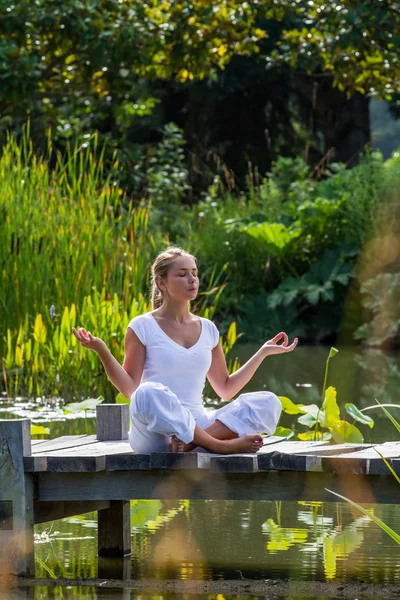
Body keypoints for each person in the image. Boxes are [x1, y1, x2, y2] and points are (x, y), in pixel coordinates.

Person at [72, 246, 298, 454]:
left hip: (197, 425)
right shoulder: (142, 326)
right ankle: (217, 445)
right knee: (147, 391)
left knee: (268, 401)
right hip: (155, 435)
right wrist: (101, 349)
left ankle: (191, 443)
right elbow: (131, 389)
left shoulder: (208, 329)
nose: (192, 280)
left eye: (194, 273)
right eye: (182, 274)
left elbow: (226, 390)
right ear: (162, 283)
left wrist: (262, 353)